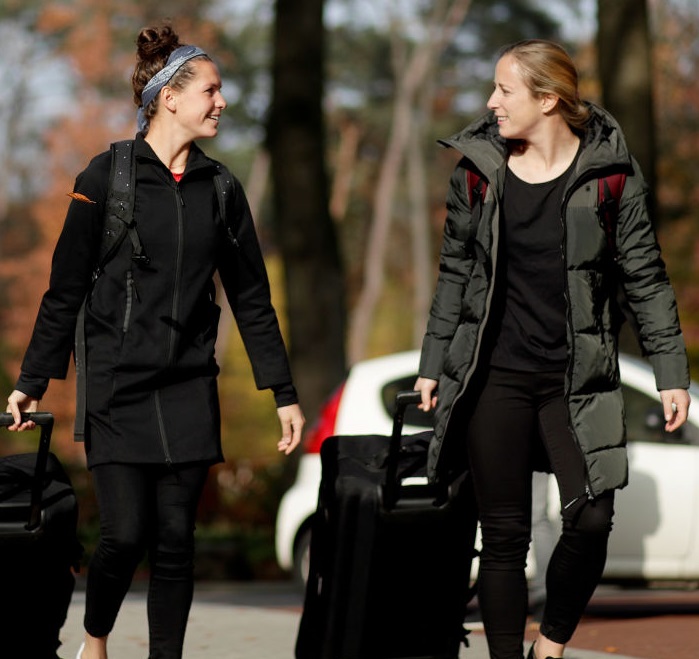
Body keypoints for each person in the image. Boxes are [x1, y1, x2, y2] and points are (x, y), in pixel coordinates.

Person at [6, 24, 305, 659]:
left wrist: (282, 390)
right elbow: (64, 289)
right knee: (125, 535)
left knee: (176, 540)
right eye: (211, 91)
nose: (222, 102)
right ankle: (95, 639)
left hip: (189, 383)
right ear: (169, 97)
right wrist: (32, 381)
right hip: (116, 383)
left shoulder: (221, 189)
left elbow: (252, 297)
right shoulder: (104, 178)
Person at [414, 39, 690, 659]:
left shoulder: (611, 176)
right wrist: (433, 364)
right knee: (504, 538)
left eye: (504, 89)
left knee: (592, 517)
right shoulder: (477, 173)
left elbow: (645, 278)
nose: (491, 102)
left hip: (575, 380)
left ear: (547, 99)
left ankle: (552, 642)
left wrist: (671, 371)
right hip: (494, 377)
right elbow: (454, 276)